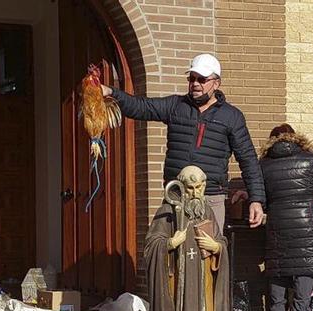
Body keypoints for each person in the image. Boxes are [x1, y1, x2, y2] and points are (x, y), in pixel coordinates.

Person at [101, 53, 265, 230]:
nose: (195, 84)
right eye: (192, 78)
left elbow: (248, 160)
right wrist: (110, 92)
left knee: (209, 253)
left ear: (216, 83)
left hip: (210, 197)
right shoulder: (175, 106)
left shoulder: (232, 117)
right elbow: (141, 106)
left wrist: (256, 200)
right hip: (175, 196)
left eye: (202, 79)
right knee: (171, 253)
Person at [144, 166, 231, 311]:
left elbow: (220, 240)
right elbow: (151, 246)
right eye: (190, 188)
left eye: (199, 187)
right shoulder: (168, 211)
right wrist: (171, 243)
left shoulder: (207, 211)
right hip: (178, 285)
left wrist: (217, 248)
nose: (195, 193)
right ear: (181, 187)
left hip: (204, 285)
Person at [260, 125, 313, 311]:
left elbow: (260, 198)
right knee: (305, 268)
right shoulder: (310, 160)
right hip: (306, 221)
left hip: (277, 221)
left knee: (278, 268)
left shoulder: (264, 164)